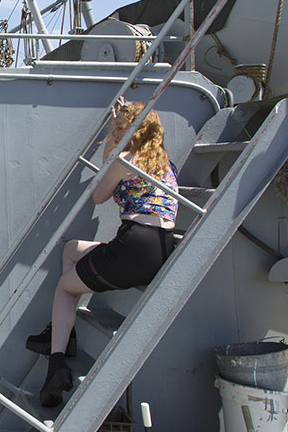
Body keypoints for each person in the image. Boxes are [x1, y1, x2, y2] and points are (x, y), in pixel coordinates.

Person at [26, 97, 179, 407]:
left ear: (131, 131)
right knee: (72, 250)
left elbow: (99, 195)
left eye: (122, 127)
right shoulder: (165, 164)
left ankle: (56, 365)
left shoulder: (126, 159)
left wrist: (111, 137)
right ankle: (63, 334)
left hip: (133, 245)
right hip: (160, 247)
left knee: (65, 287)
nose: (118, 130)